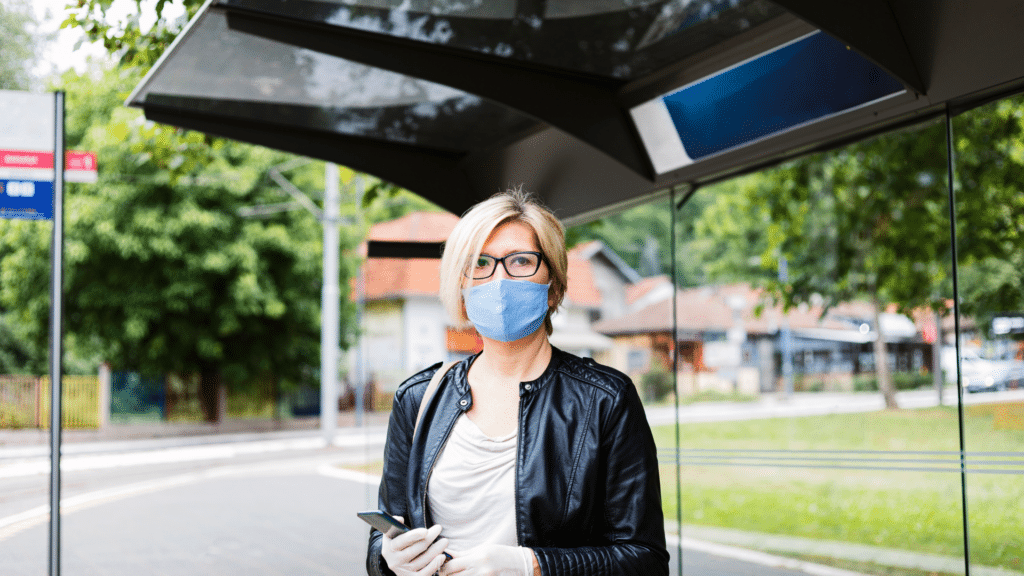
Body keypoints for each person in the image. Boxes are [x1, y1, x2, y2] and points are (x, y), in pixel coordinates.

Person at [365, 189, 668, 576]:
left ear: (554, 284)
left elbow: (646, 560)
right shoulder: (418, 399)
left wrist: (534, 565)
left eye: (521, 261)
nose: (500, 279)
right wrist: (387, 559)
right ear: (462, 286)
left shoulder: (605, 399)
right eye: (481, 263)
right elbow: (386, 535)